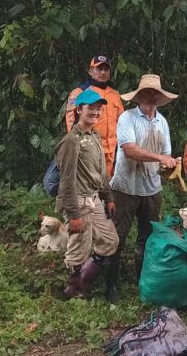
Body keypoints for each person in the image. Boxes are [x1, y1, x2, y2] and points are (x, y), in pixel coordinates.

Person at [108, 74, 179, 302]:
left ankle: (143, 281)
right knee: (117, 236)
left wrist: (171, 164)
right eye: (146, 94)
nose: (151, 98)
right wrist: (160, 157)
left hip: (151, 188)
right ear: (138, 97)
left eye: (154, 94)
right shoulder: (127, 118)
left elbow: (166, 154)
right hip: (125, 187)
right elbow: (129, 150)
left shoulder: (162, 122)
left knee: (147, 237)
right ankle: (111, 287)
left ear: (159, 98)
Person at [55, 89, 119, 300]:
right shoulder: (71, 141)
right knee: (78, 249)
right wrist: (74, 214)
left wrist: (108, 197)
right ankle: (74, 290)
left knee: (110, 241)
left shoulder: (94, 135)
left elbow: (101, 172)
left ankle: (84, 279)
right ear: (79, 109)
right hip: (79, 201)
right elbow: (66, 181)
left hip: (95, 198)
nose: (95, 112)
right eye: (90, 108)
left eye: (98, 108)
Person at [65, 55, 124, 177]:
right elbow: (71, 122)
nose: (103, 72)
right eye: (99, 69)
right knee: (88, 184)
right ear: (91, 71)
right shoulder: (80, 93)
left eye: (106, 69)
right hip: (89, 148)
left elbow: (122, 122)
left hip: (112, 151)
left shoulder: (115, 94)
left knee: (107, 186)